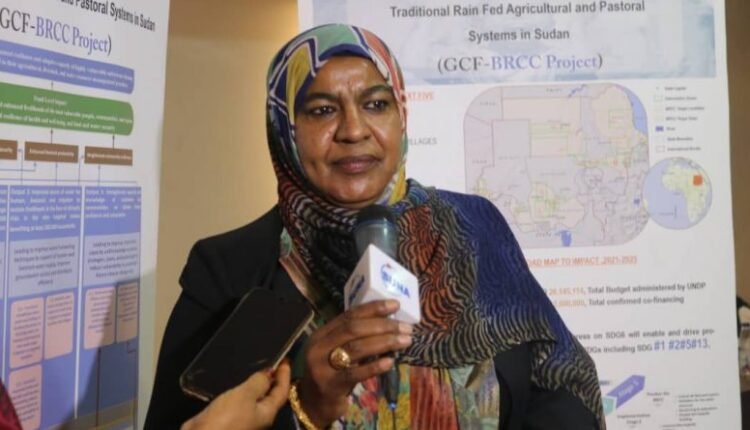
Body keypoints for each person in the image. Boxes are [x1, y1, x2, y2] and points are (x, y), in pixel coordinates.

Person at [146, 23, 605, 429]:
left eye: (376, 104)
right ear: (283, 127)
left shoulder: (475, 227)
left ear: (401, 115)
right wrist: (307, 407)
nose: (354, 129)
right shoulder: (231, 268)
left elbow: (556, 381)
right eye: (322, 110)